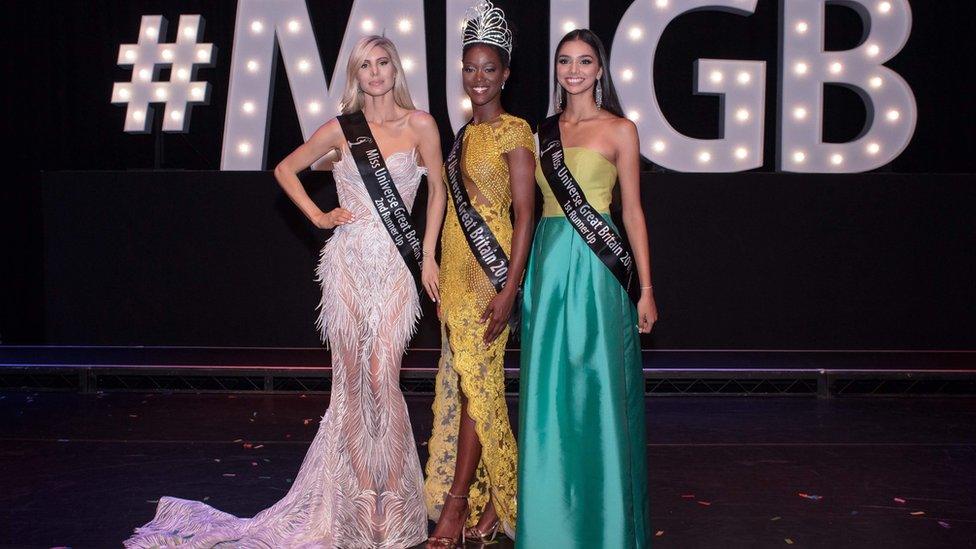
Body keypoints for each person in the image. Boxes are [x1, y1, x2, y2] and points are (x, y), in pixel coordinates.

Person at [125, 35, 445, 549]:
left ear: (396, 68)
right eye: (366, 65)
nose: (376, 72)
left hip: (396, 266)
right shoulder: (342, 130)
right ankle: (364, 507)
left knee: (384, 379)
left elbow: (439, 192)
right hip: (347, 266)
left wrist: (428, 254)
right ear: (356, 76)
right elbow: (285, 169)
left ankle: (392, 500)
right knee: (354, 386)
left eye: (383, 62)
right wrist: (319, 215)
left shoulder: (421, 125)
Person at [516, 29, 658, 549]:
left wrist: (645, 287)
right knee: (547, 395)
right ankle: (551, 527)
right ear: (556, 69)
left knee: (598, 391)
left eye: (584, 61)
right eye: (564, 61)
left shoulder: (621, 129)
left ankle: (607, 526)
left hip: (600, 268)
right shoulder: (539, 133)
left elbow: (634, 212)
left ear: (600, 70)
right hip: (548, 265)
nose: (573, 70)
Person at [422, 1, 535, 546]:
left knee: (477, 387)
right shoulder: (463, 134)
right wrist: (441, 275)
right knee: (472, 385)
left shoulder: (516, 132)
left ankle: (456, 507)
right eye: (470, 68)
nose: (479, 78)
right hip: (458, 277)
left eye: (490, 69)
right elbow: (451, 215)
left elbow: (524, 215)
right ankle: (486, 502)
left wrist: (510, 289)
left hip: (492, 280)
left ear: (506, 73)